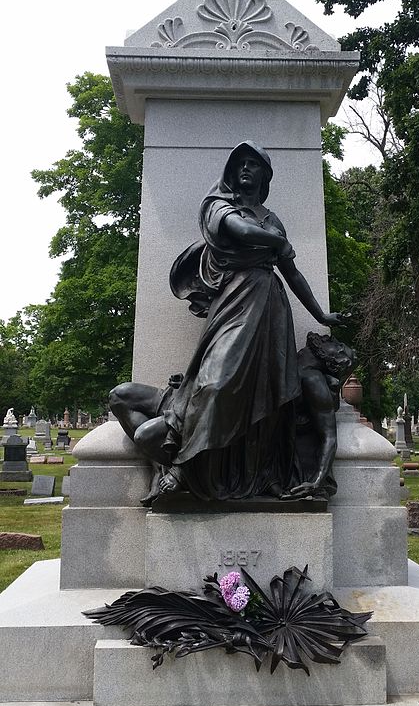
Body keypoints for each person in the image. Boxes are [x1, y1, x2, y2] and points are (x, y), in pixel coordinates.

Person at [110, 141, 346, 504]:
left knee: (265, 393)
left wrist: (319, 314)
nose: (245, 168)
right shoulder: (220, 205)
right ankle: (182, 465)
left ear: (265, 174)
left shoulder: (271, 219)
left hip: (270, 307)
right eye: (240, 163)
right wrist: (277, 242)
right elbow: (240, 231)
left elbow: (293, 274)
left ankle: (254, 471)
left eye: (253, 163)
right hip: (235, 301)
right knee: (215, 382)